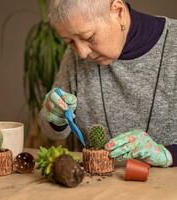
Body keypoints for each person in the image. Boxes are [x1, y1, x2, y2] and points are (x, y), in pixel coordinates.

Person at [39, 0, 177, 167]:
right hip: (95, 189)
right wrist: (54, 117)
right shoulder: (75, 55)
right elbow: (52, 131)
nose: (82, 53)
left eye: (88, 37)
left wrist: (169, 155)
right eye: (70, 41)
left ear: (119, 12)